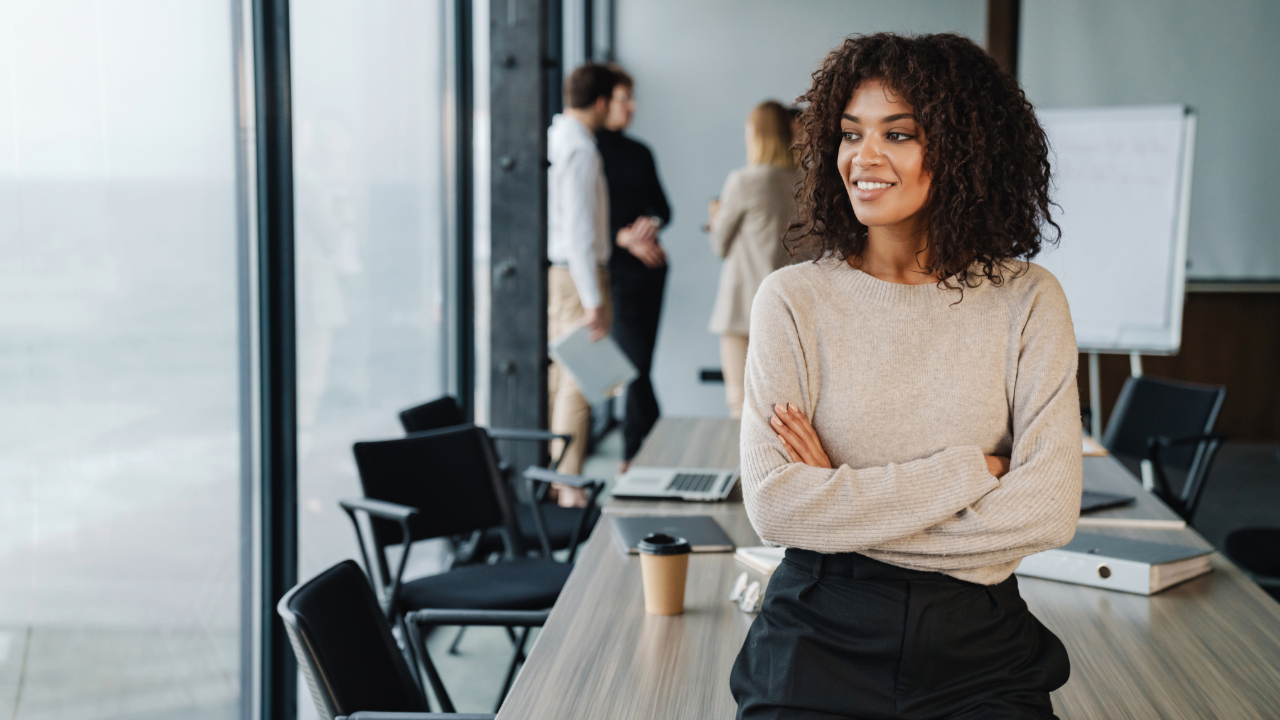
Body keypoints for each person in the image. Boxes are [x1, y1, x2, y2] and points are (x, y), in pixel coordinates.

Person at [730, 33, 1081, 719]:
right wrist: (971, 473)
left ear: (964, 147)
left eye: (898, 134)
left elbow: (1048, 506)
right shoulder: (792, 299)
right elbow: (775, 506)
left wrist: (836, 497)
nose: (864, 158)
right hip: (816, 631)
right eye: (849, 134)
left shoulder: (1028, 298)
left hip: (978, 646)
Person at [547, 62, 617, 505]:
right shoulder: (582, 149)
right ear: (601, 102)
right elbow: (579, 231)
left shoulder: (557, 138)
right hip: (579, 276)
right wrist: (593, 297)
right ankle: (568, 488)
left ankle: (558, 481)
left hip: (560, 274)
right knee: (581, 380)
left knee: (563, 375)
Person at [596, 67, 672, 472]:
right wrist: (623, 238)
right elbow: (580, 220)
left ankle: (646, 450)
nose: (632, 107)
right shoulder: (587, 152)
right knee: (635, 366)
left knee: (642, 365)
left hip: (653, 271)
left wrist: (650, 225)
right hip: (617, 273)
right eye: (624, 99)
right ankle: (639, 450)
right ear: (603, 103)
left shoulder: (640, 152)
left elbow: (664, 207)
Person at [707, 101, 800, 419]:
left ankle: (744, 470)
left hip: (742, 306)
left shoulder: (744, 180)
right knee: (780, 407)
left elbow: (720, 245)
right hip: (788, 305)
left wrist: (716, 218)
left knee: (739, 403)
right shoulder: (805, 181)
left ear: (758, 133)